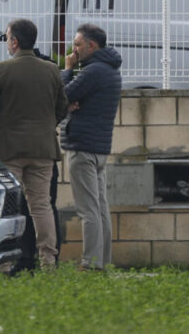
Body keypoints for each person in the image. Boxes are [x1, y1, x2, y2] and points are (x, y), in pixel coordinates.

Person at [0, 18, 68, 269]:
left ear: (14, 41)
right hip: (43, 149)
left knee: (8, 206)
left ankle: (4, 264)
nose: (7, 42)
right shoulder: (51, 70)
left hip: (8, 150)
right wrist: (46, 127)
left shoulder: (1, 69)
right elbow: (62, 107)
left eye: (7, 37)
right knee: (42, 206)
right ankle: (48, 260)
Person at [62, 23, 122, 271]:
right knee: (100, 207)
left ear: (91, 45)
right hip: (99, 149)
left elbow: (61, 94)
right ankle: (102, 261)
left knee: (88, 211)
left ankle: (90, 263)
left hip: (82, 147)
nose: (73, 50)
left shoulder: (92, 71)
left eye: (77, 45)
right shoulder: (110, 70)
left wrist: (67, 70)